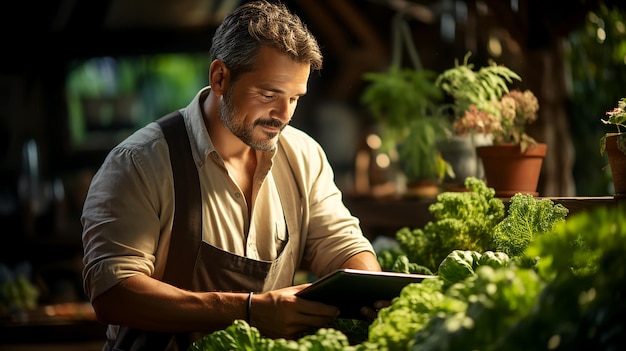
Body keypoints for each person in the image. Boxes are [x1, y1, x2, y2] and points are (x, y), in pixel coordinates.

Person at [81, 1, 383, 350]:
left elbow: (341, 244)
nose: (283, 115)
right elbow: (113, 295)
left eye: (294, 98)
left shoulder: (304, 155)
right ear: (220, 77)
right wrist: (249, 310)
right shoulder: (138, 163)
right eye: (268, 94)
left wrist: (369, 287)